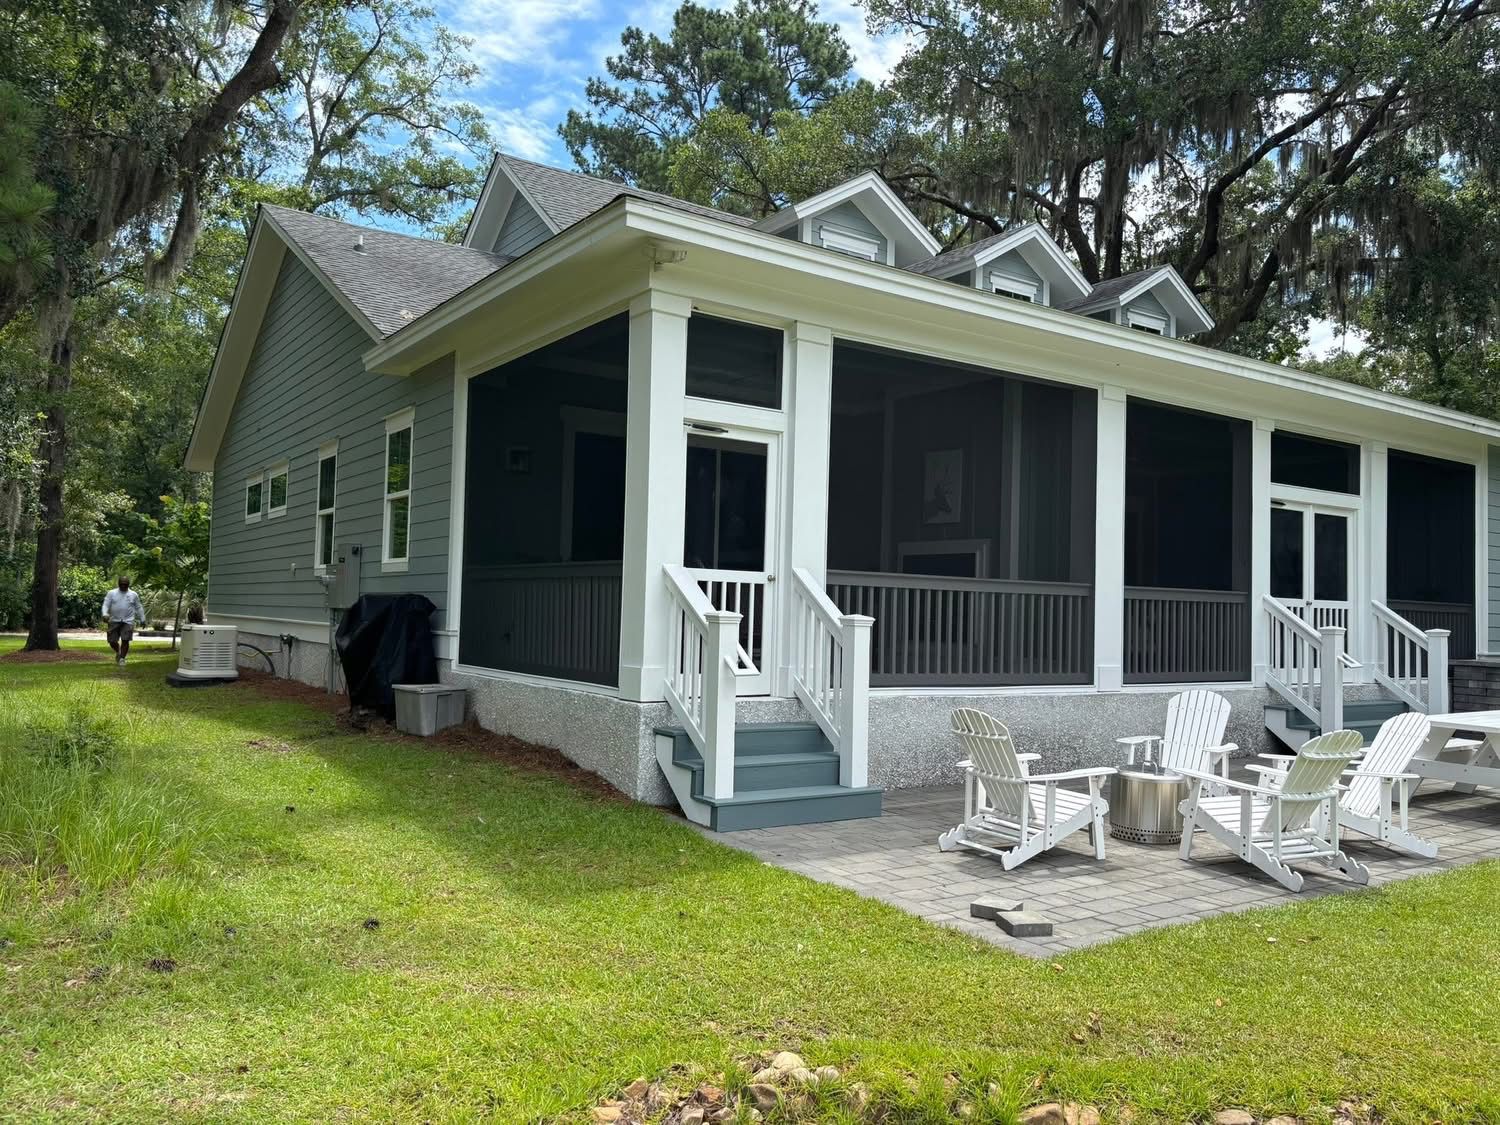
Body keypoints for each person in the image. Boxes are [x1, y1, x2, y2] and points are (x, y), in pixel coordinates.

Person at [101, 576, 146, 667]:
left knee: (125, 640)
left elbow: (138, 607)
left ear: (128, 584)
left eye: (125, 584)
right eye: (122, 584)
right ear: (118, 584)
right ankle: (118, 651)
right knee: (112, 641)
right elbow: (106, 604)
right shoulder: (112, 593)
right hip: (114, 620)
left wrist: (142, 618)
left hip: (128, 621)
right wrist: (105, 614)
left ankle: (122, 659)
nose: (123, 586)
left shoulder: (133, 594)